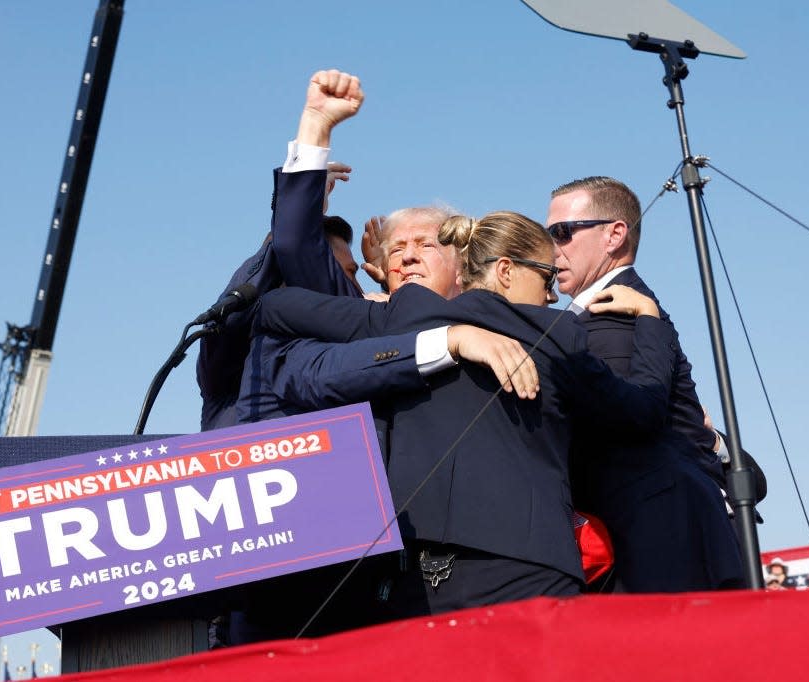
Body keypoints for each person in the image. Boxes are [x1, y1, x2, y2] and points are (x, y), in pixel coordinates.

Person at [255, 210, 680, 618]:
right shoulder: (559, 331)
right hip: (529, 570)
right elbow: (640, 411)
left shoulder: (408, 314)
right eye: (548, 277)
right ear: (507, 270)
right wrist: (650, 318)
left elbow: (275, 307)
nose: (553, 294)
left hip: (418, 577)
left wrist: (382, 309)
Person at [547, 176, 745, 591]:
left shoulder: (617, 313)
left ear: (614, 234)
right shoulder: (617, 309)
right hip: (660, 528)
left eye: (562, 233)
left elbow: (628, 419)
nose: (551, 249)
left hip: (656, 538)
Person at [197, 69, 365, 431]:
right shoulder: (233, 367)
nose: (355, 280)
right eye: (343, 270)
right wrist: (303, 204)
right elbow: (289, 245)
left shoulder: (361, 345)